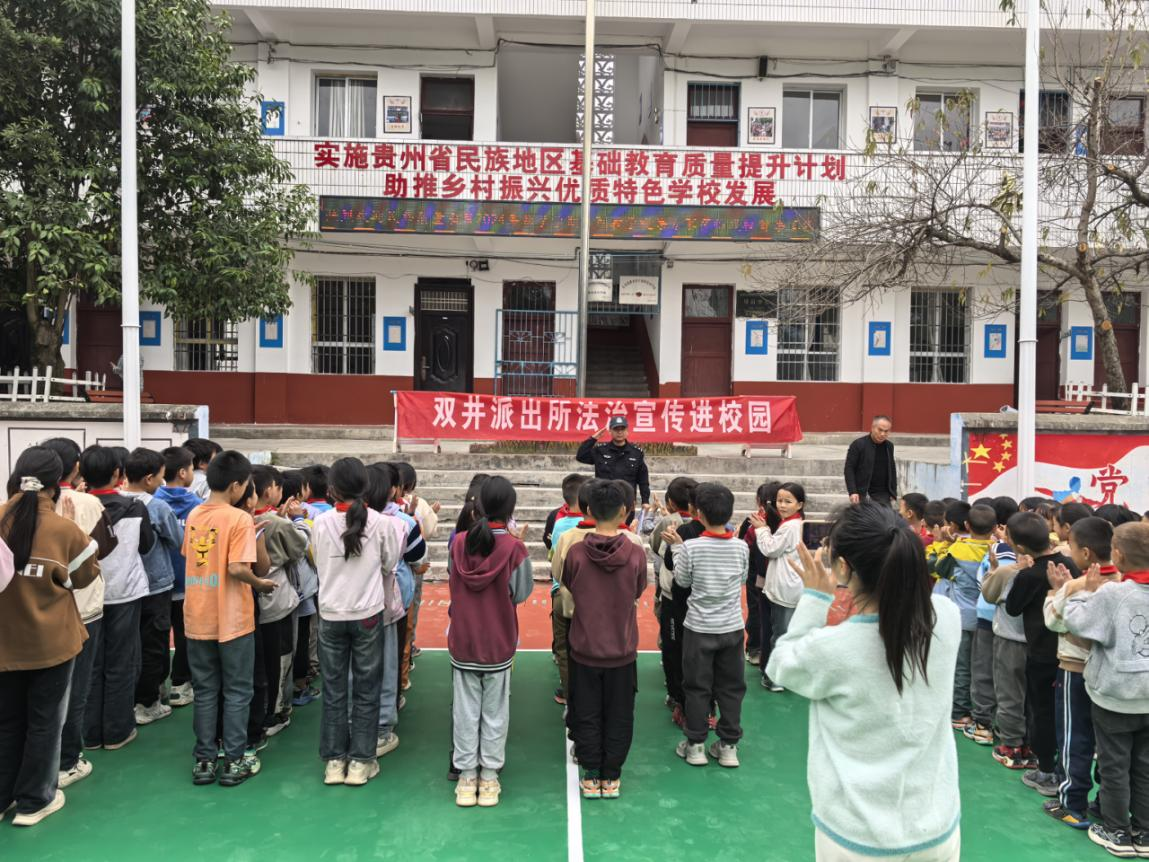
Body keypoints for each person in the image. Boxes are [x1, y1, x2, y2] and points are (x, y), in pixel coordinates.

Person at [767, 502, 961, 860]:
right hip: (936, 828)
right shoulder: (947, 618)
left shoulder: (834, 649)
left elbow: (780, 665)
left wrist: (814, 598)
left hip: (856, 838)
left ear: (843, 567)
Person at [0, 448, 101, 826]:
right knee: (44, 722)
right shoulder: (63, 529)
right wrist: (76, 532)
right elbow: (84, 577)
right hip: (51, 643)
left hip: (4, 643)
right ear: (58, 482)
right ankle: (34, 800)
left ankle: (3, 796)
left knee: (6, 721)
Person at [183, 450, 276, 787]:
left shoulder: (195, 514)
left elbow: (191, 556)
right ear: (236, 485)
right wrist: (260, 584)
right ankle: (235, 760)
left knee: (206, 691)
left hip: (197, 615)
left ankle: (205, 760)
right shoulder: (239, 519)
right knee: (238, 690)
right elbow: (238, 568)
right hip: (233, 617)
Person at [311, 458, 401, 787]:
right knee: (366, 688)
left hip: (331, 613)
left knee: (334, 689)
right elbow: (390, 562)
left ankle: (335, 762)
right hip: (367, 614)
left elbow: (318, 561)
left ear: (332, 489)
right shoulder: (381, 523)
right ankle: (361, 762)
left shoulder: (320, 522)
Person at [1063, 523, 1149, 856]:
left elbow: (1077, 621)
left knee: (1114, 766)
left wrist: (1084, 592)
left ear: (1119, 555)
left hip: (1115, 697)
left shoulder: (1113, 594)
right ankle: (1143, 832)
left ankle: (1116, 831)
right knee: (1144, 766)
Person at [447, 476, 533, 808]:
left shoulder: (459, 543)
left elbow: (454, 582)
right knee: (495, 711)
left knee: (465, 711)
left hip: (464, 639)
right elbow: (521, 593)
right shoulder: (514, 548)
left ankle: (466, 777)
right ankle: (489, 777)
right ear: (510, 509)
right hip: (498, 641)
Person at [39, 438, 117, 789]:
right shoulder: (88, 503)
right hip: (83, 606)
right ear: (75, 467)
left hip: (36, 609)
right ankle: (67, 761)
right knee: (76, 686)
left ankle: (37, 763)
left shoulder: (17, 508)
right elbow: (104, 547)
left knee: (39, 691)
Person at [562, 481, 648, 799]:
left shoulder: (576, 553)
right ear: (624, 511)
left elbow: (569, 583)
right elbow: (638, 588)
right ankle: (611, 776)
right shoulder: (635, 553)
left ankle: (591, 774)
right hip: (621, 649)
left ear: (587, 510)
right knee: (620, 714)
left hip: (585, 648)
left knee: (586, 712)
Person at [663, 482, 749, 768]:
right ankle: (728, 746)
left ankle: (695, 745)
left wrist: (677, 548)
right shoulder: (741, 547)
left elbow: (682, 580)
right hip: (732, 627)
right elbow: (742, 579)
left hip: (699, 627)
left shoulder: (691, 546)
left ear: (697, 513)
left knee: (697, 687)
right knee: (731, 687)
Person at [79, 445, 154, 751]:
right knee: (121, 661)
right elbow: (146, 545)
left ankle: (89, 732)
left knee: (90, 663)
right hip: (125, 591)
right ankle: (117, 731)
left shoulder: (76, 507)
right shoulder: (135, 508)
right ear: (117, 473)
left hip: (87, 593)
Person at [1044, 516, 1117, 829]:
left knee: (1074, 737)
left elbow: (1053, 621)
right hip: (1111, 675)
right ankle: (1105, 803)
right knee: (1108, 743)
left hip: (1075, 670)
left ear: (1085, 553)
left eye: (1072, 548)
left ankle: (1072, 804)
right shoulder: (1124, 583)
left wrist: (1056, 591)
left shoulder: (1077, 586)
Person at [1005, 510, 1080, 797]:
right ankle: (1065, 770)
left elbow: (1012, 608)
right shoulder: (1069, 563)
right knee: (1067, 714)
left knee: (1042, 712)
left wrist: (1018, 571)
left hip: (1041, 655)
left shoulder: (1028, 575)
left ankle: (1046, 770)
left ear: (1020, 547)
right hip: (1070, 654)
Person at [121, 447, 183, 727]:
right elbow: (179, 540)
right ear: (149, 478)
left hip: (122, 586)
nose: (162, 481)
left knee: (127, 645)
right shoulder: (157, 507)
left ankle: (130, 699)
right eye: (160, 476)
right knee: (154, 645)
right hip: (155, 584)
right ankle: (148, 703)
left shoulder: (111, 502)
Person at [251, 466, 308, 737]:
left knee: (259, 658)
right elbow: (299, 547)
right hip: (277, 597)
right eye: (277, 486)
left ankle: (262, 709)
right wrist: (297, 521)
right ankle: (274, 711)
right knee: (281, 656)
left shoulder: (242, 518)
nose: (280, 490)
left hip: (251, 599)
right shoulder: (277, 523)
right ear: (267, 491)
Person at [932, 503, 994, 734]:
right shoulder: (996, 550)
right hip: (986, 616)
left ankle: (960, 713)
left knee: (961, 667)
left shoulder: (956, 550)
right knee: (983, 668)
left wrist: (943, 543)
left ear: (967, 525)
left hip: (961, 617)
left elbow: (938, 569)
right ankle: (982, 713)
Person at [155, 446, 203, 708]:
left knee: (159, 636)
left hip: (159, 583)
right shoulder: (198, 506)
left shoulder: (153, 502)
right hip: (189, 581)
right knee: (186, 635)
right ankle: (181, 684)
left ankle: (158, 686)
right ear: (183, 472)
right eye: (192, 468)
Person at [750, 482, 805, 693]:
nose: (782, 505)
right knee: (788, 632)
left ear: (799, 504)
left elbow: (770, 549)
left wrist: (761, 529)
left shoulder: (790, 527)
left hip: (784, 588)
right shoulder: (796, 524)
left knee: (780, 634)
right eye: (779, 501)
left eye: (788, 501)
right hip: (793, 586)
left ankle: (773, 677)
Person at [548, 474, 588, 705]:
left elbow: (555, 562)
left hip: (562, 592)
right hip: (589, 595)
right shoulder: (597, 526)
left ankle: (569, 692)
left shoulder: (560, 525)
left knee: (564, 649)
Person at [576, 416, 651, 511]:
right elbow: (581, 456)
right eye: (616, 429)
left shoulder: (636, 453)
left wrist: (645, 500)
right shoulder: (601, 450)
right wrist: (593, 439)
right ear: (610, 431)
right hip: (603, 501)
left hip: (626, 502)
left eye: (622, 429)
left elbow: (643, 479)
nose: (619, 432)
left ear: (627, 431)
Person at [844, 415, 897, 506]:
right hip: (863, 494)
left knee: (885, 515)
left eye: (886, 431)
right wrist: (852, 491)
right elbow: (849, 469)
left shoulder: (889, 446)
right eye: (880, 430)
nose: (883, 434)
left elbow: (892, 469)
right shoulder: (858, 444)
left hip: (883, 495)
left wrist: (893, 491)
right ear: (872, 428)